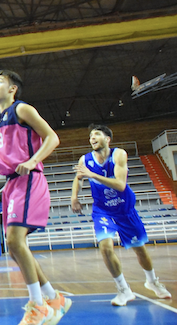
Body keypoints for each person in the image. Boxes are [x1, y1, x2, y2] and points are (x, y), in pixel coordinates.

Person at [0, 70, 71, 325]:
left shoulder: (22, 109)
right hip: (11, 184)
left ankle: (38, 306)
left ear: (12, 89)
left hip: (30, 178)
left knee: (14, 241)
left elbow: (52, 138)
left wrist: (33, 159)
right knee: (16, 248)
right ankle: (54, 298)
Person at [71, 124, 171, 305]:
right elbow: (77, 179)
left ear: (107, 139)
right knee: (105, 248)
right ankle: (123, 289)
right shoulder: (85, 160)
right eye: (90, 136)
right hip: (103, 211)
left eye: (97, 135)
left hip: (125, 210)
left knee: (140, 249)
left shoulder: (119, 154)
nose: (92, 138)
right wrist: (74, 197)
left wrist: (91, 174)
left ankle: (152, 281)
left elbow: (120, 185)